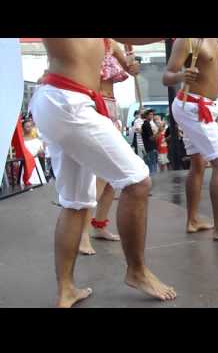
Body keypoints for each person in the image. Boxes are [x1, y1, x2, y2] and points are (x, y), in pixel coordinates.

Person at [29, 38, 176, 308]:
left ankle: (66, 290)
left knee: (76, 203)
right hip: (68, 101)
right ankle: (137, 271)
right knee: (137, 181)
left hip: (64, 101)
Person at [163, 38, 218, 244]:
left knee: (199, 163)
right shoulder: (186, 41)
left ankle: (192, 220)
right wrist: (181, 75)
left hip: (202, 106)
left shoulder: (213, 40)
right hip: (193, 106)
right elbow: (167, 77)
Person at [79, 38, 136, 256]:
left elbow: (132, 70)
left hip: (110, 108)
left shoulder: (114, 45)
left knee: (112, 176)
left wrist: (134, 65)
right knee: (98, 177)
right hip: (92, 105)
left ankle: (99, 224)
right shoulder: (84, 43)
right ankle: (82, 233)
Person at [22, 119, 46, 185]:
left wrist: (40, 152)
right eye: (27, 126)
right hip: (27, 163)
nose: (29, 128)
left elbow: (42, 151)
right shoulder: (22, 141)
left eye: (30, 126)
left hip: (36, 162)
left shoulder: (36, 139)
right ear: (23, 128)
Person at [141, 109, 159, 175]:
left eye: (152, 114)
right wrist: (159, 131)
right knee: (152, 166)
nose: (152, 116)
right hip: (150, 148)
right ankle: (153, 181)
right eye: (150, 114)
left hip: (151, 147)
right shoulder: (146, 124)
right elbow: (151, 138)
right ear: (146, 115)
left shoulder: (148, 124)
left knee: (153, 165)